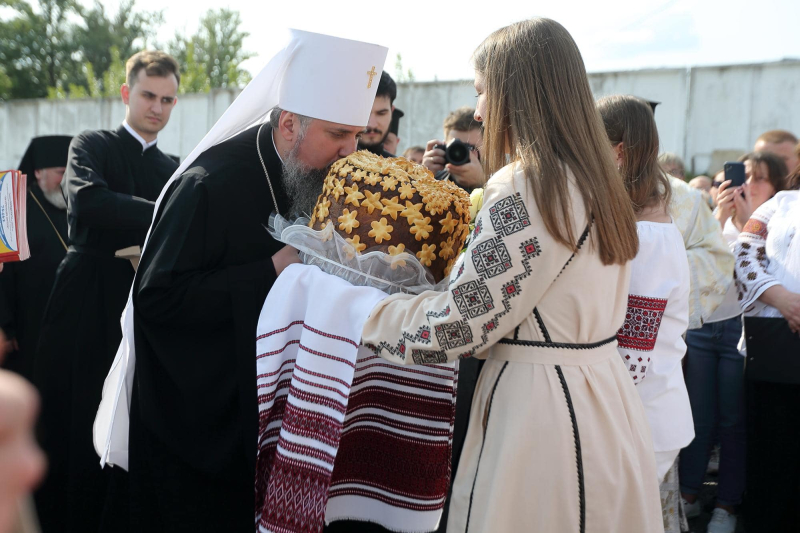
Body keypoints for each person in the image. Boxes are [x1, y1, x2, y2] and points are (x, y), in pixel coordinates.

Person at [360, 19, 663, 532]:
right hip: (605, 401)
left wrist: (361, 312)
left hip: (541, 415)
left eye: (482, 92)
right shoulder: (597, 179)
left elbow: (461, 322)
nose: (478, 111)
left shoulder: (528, 182)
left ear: (517, 92)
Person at [102, 31, 388, 532]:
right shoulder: (207, 185)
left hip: (277, 410)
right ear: (289, 123)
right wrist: (273, 270)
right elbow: (157, 301)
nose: (351, 152)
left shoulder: (315, 174)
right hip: (203, 433)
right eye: (338, 135)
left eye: (357, 136)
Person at [33, 50, 180, 532]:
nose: (157, 107)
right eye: (148, 95)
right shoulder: (91, 144)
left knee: (126, 420)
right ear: (126, 93)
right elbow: (90, 201)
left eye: (168, 99)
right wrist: (164, 211)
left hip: (141, 304)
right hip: (84, 298)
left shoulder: (176, 167)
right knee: (72, 413)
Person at [679, 151, 788, 533]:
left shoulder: (778, 223)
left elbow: (764, 269)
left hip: (744, 331)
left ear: (777, 186)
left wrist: (744, 221)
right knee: (696, 417)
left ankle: (726, 504)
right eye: (746, 177)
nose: (749, 186)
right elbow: (694, 264)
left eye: (760, 179)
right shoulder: (716, 218)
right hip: (704, 327)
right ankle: (689, 495)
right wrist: (721, 216)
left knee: (733, 421)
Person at [598, 95, 693, 533]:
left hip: (638, 415)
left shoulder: (648, 237)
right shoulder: (644, 224)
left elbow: (634, 352)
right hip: (638, 413)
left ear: (617, 151)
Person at [733, 165, 800, 532]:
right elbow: (745, 253)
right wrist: (786, 301)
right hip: (776, 356)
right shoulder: (778, 204)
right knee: (771, 459)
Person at [0, 136, 71, 381]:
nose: (68, 180)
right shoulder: (11, 204)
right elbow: (2, 273)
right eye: (62, 172)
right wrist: (5, 327)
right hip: (25, 324)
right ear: (39, 172)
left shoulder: (79, 207)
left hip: (68, 324)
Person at [660, 152, 733, 329]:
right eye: (664, 171)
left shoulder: (691, 201)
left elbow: (714, 251)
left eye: (675, 171)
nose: (670, 177)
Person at [422, 106, 485, 192]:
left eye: (470, 148)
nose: (463, 153)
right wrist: (423, 178)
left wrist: (481, 183)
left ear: (486, 148)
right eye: (455, 147)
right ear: (444, 146)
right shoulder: (433, 179)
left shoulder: (501, 181)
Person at [358, 71, 397, 157]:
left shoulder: (402, 169)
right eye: (365, 114)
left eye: (381, 113)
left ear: (392, 112)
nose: (372, 125)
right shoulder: (327, 165)